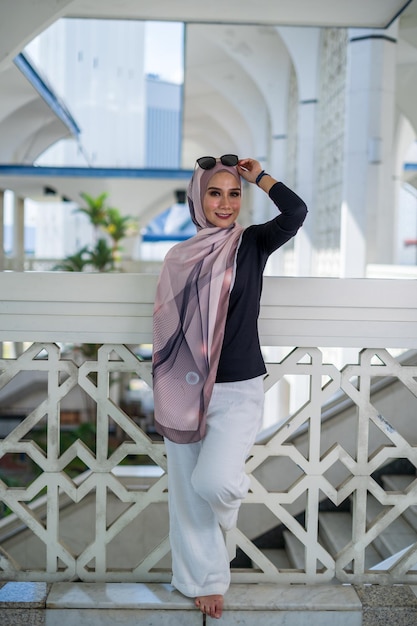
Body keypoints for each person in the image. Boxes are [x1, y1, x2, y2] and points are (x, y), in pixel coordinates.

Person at [152, 155, 307, 619]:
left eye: (233, 194)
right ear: (197, 199)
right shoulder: (178, 257)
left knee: (214, 483)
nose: (225, 203)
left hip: (239, 387)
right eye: (214, 193)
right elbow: (166, 325)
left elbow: (295, 212)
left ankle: (225, 514)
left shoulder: (253, 243)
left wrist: (259, 177)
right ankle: (203, 580)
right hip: (184, 385)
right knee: (187, 493)